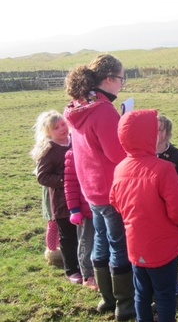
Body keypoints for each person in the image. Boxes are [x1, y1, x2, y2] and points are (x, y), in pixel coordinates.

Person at [64, 54, 135, 321]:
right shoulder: (102, 110)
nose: (121, 85)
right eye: (120, 79)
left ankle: (107, 299)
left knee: (101, 242)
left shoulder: (77, 106)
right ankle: (125, 304)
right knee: (118, 245)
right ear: (108, 79)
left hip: (90, 188)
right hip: (110, 189)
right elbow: (117, 153)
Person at [110, 109, 178, 322]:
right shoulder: (163, 169)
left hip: (136, 245)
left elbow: (115, 201)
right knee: (164, 294)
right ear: (147, 136)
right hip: (163, 246)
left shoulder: (119, 169)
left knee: (141, 292)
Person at [31, 110, 81, 284]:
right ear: (48, 132)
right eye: (56, 127)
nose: (62, 129)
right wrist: (65, 179)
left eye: (63, 124)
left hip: (81, 197)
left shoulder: (75, 141)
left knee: (82, 233)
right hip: (61, 201)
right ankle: (71, 270)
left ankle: (83, 266)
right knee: (67, 237)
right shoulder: (49, 150)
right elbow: (42, 177)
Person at [157, 114, 178, 296]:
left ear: (168, 133)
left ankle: (173, 278)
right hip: (152, 210)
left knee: (171, 247)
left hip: (172, 210)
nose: (155, 132)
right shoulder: (144, 153)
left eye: (160, 129)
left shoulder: (177, 156)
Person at [64, 147, 97, 289]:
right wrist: (74, 210)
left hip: (103, 207)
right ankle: (87, 274)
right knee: (86, 242)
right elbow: (70, 184)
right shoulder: (73, 154)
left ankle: (102, 274)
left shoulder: (102, 149)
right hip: (84, 210)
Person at [42, 185, 63, 266]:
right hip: (52, 194)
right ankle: (52, 251)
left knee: (58, 224)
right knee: (53, 223)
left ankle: (58, 248)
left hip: (58, 193)